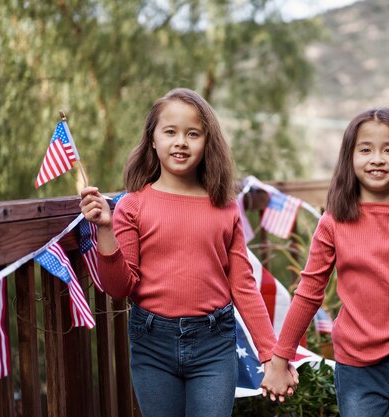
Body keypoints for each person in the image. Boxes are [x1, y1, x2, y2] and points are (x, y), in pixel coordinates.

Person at [79, 88, 296, 417]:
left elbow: (243, 285)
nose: (181, 141)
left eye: (192, 133)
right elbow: (119, 287)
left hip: (214, 343)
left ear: (207, 142)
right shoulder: (132, 207)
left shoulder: (224, 208)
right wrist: (105, 229)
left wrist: (270, 356)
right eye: (170, 132)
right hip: (151, 343)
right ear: (152, 139)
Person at [261, 107, 389, 417]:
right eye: (365, 149)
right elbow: (309, 291)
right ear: (350, 158)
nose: (377, 158)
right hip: (358, 368)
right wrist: (280, 358)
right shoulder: (334, 222)